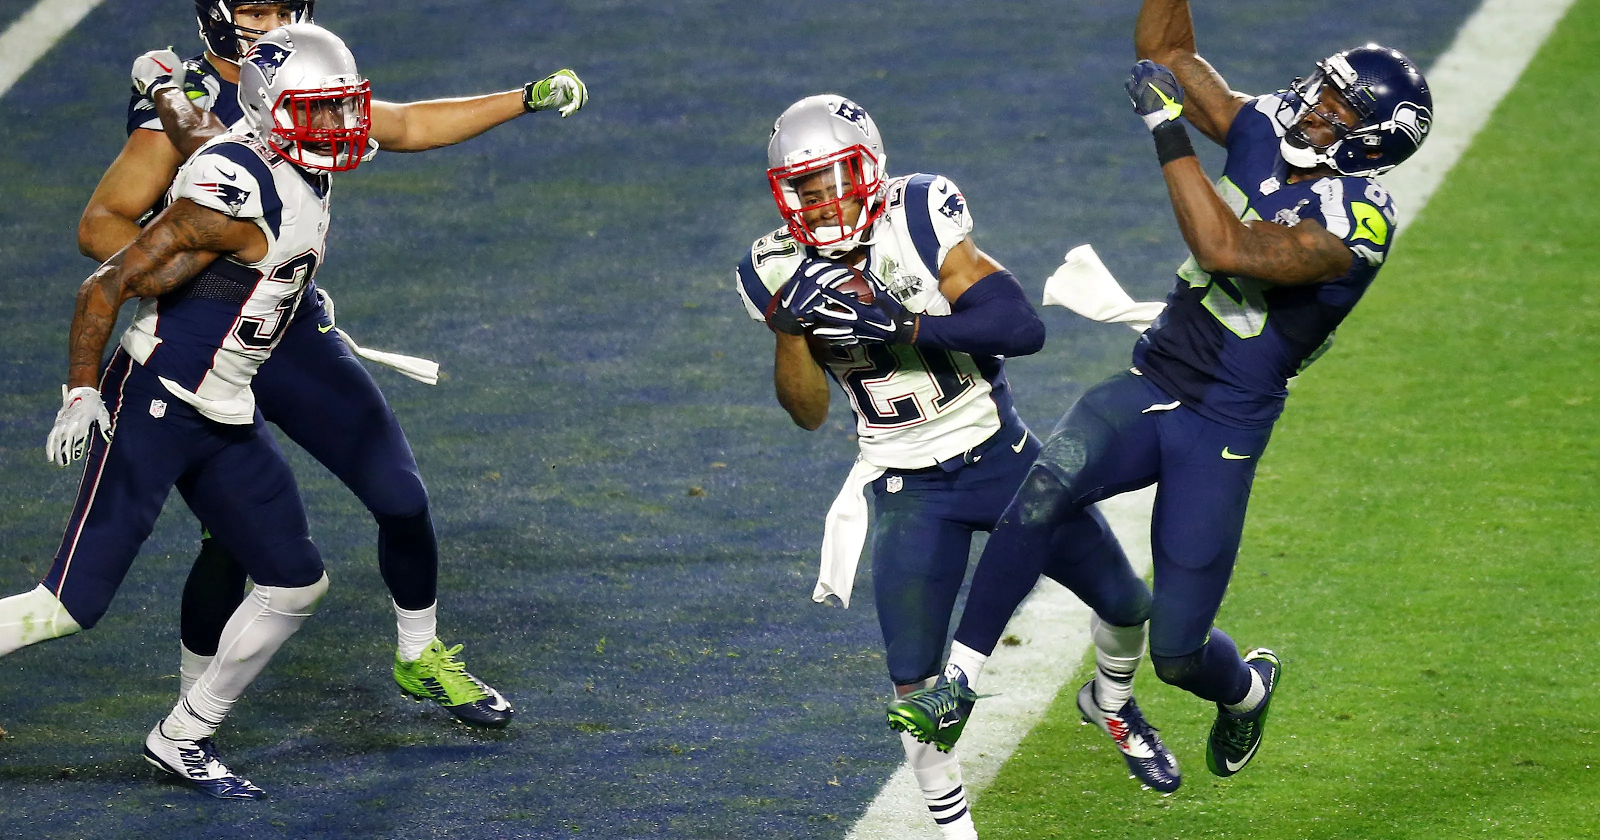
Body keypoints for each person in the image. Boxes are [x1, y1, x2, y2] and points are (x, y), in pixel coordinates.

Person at [886, 0, 1433, 792]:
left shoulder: (1357, 220)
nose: (1314, 103)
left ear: (1374, 141)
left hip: (1223, 425)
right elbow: (1168, 51)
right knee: (1039, 496)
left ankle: (1246, 692)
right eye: (1323, 86)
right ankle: (958, 688)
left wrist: (1168, 131)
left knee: (1178, 653)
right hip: (1154, 380)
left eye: (1339, 105)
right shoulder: (1267, 128)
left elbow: (1224, 246)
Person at [80, 0, 588, 729]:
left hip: (289, 331)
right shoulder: (182, 99)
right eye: (256, 8)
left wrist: (525, 98)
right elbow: (101, 225)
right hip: (204, 341)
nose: (274, 20)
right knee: (232, 544)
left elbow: (405, 125)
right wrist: (206, 271)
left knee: (400, 495)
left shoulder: (310, 77)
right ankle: (191, 709)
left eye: (283, 6)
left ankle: (419, 653)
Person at [0, 22, 379, 799]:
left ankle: (182, 736)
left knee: (294, 582)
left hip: (222, 409)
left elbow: (199, 130)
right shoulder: (227, 204)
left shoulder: (269, 155)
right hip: (155, 403)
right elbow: (104, 285)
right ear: (274, 110)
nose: (340, 126)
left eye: (343, 107)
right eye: (321, 110)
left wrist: (163, 87)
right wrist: (80, 390)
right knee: (68, 605)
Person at [737, 94, 1123, 839]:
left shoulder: (915, 215)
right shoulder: (770, 268)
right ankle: (954, 833)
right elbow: (808, 412)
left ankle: (1115, 698)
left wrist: (905, 324)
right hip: (905, 484)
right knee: (913, 681)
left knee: (1126, 600)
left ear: (871, 168)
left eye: (834, 179)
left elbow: (1020, 326)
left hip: (999, 455)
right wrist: (788, 330)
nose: (822, 200)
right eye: (804, 187)